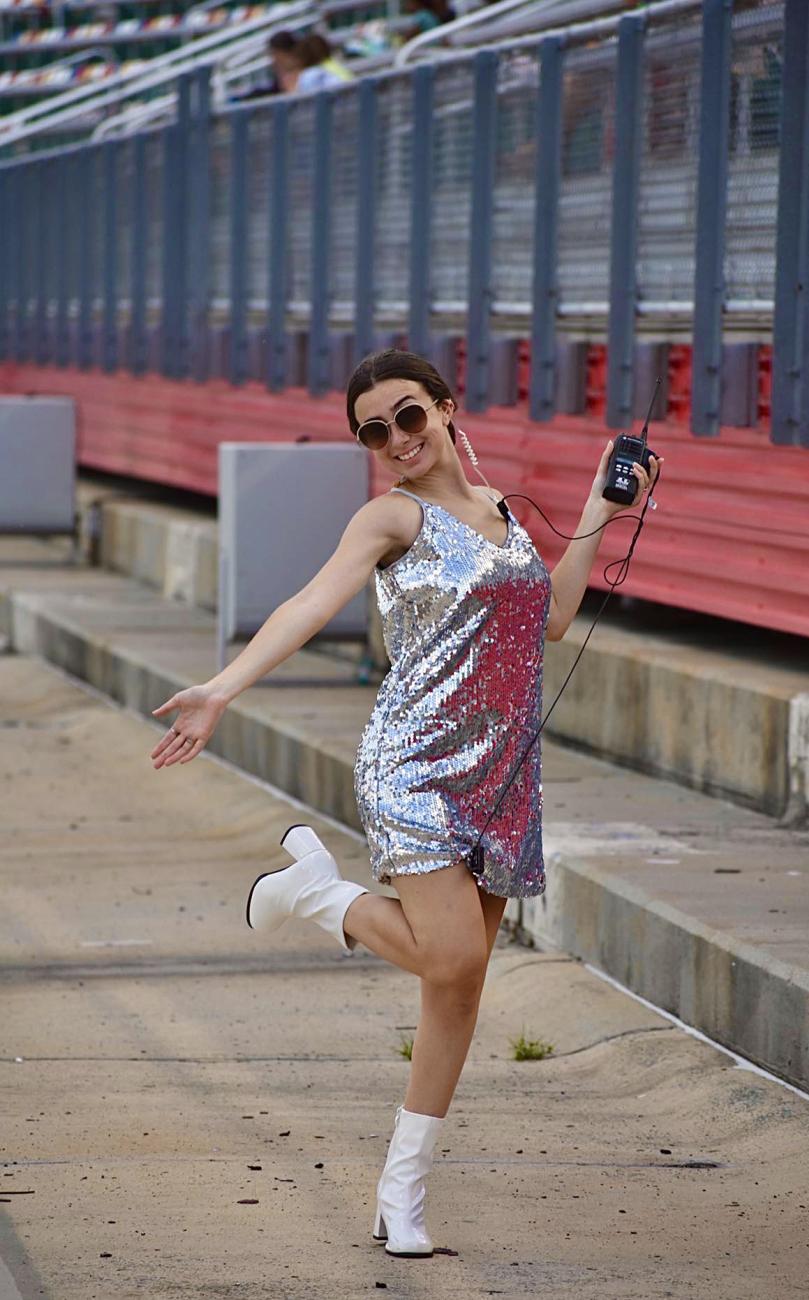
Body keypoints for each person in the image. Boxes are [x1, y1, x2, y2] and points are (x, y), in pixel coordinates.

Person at [148, 348, 661, 1258]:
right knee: (453, 953)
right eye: (374, 431)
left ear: (446, 409)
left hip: (502, 775)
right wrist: (223, 688)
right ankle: (314, 895)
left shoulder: (503, 513)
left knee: (456, 988)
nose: (396, 440)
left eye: (408, 417)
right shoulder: (390, 516)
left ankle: (402, 1196)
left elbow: (547, 621)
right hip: (413, 763)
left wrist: (597, 508)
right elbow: (311, 600)